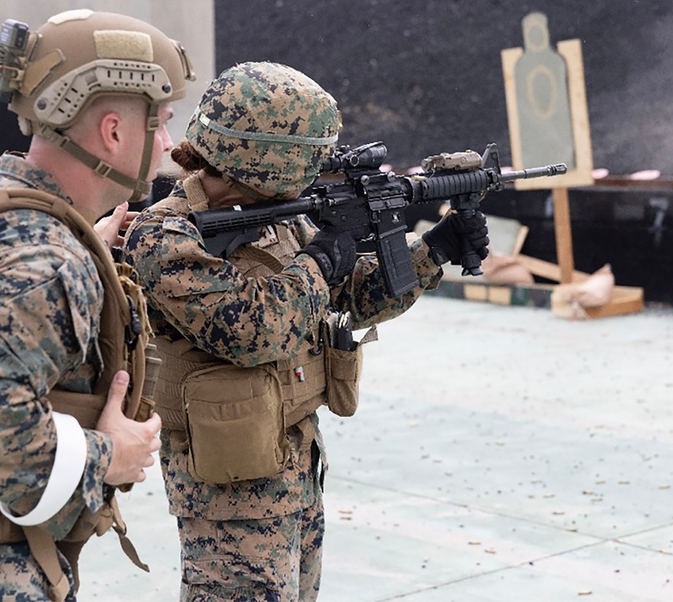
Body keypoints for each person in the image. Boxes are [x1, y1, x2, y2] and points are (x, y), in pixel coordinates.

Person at [122, 61, 490, 601]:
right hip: (231, 491)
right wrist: (320, 260)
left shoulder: (276, 211)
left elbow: (346, 299)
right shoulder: (165, 237)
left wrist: (434, 251)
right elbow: (254, 332)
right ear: (266, 158)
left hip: (295, 462)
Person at [0, 8, 195, 601]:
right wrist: (111, 455)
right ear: (115, 133)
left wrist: (83, 247)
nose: (170, 147)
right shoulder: (46, 264)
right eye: (164, 123)